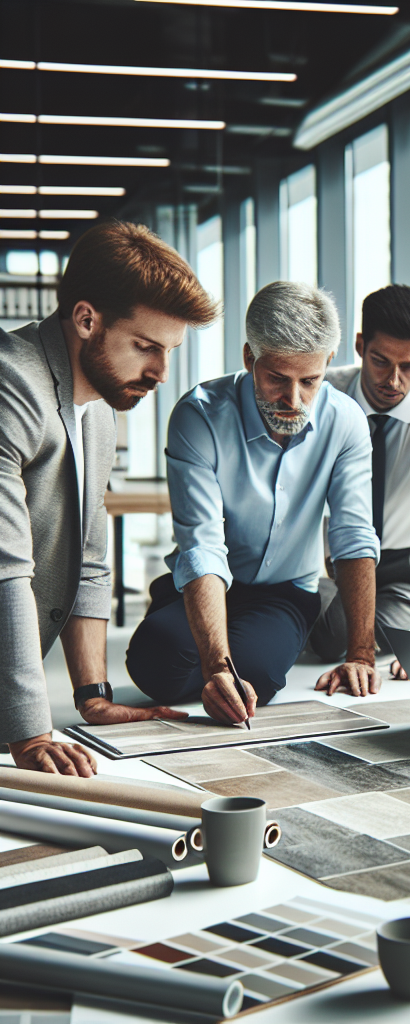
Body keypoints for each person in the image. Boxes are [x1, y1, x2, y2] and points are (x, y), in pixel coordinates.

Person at [0, 221, 218, 775]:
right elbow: (5, 570)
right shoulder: (11, 387)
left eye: (169, 351)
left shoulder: (96, 410)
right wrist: (30, 733)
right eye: (146, 347)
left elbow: (89, 559)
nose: (161, 373)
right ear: (86, 318)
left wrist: (92, 695)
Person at [126, 282, 380, 724]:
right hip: (206, 579)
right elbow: (200, 543)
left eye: (310, 381)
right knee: (156, 666)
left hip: (285, 592)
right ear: (249, 358)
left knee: (258, 677)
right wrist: (216, 665)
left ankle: (266, 636)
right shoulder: (199, 415)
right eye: (278, 378)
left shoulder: (348, 422)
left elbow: (353, 535)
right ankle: (187, 623)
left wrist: (362, 654)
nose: (294, 400)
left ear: (329, 364)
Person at [309, 285, 410, 678]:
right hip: (335, 560)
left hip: (403, 570)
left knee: (338, 633)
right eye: (381, 361)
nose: (394, 381)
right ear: (361, 345)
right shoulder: (323, 393)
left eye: (409, 366)